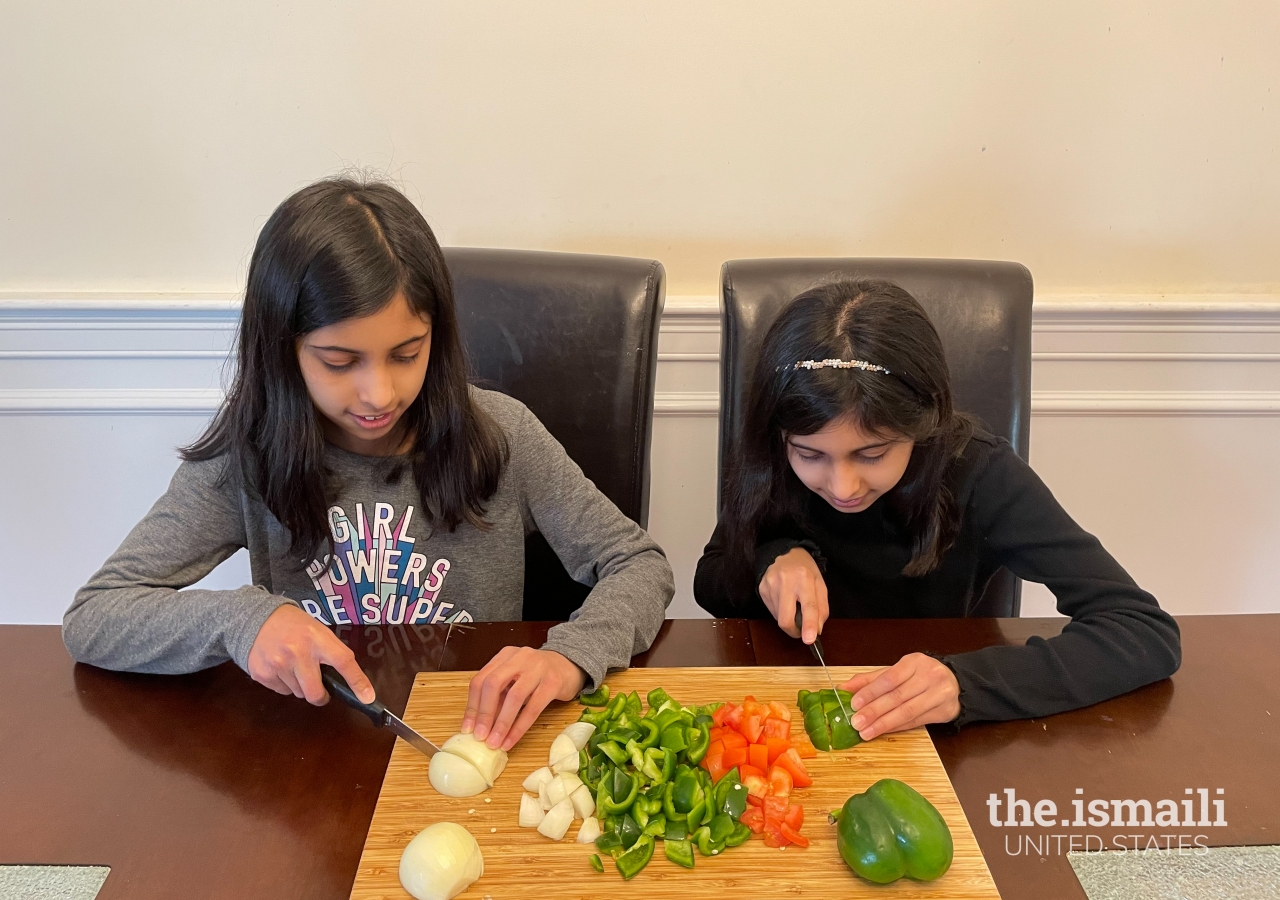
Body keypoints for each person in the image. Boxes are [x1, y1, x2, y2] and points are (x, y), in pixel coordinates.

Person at [64, 178, 673, 751]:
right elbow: (95, 615)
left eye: (406, 354)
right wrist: (240, 618)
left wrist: (570, 654)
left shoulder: (502, 434)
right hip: (312, 760)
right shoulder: (248, 457)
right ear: (284, 351)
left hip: (475, 743)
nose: (379, 393)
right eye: (338, 362)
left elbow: (639, 565)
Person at [694, 279, 1180, 740]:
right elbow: (711, 580)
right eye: (810, 455)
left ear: (923, 423)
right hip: (793, 711)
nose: (842, 486)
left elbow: (1142, 630)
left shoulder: (979, 472)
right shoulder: (771, 455)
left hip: (937, 740)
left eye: (872, 454)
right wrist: (775, 557)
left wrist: (964, 683)